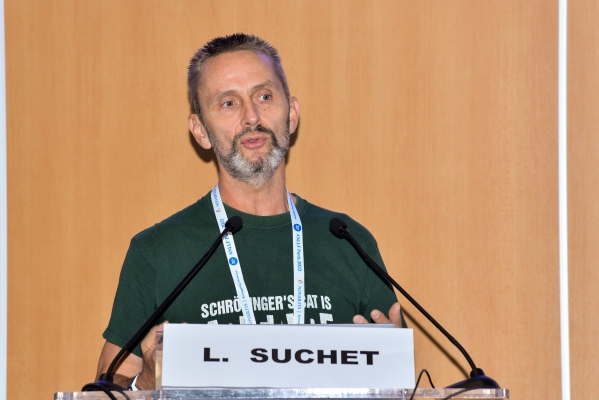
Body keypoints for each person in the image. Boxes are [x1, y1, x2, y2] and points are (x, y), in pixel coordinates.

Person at [95, 33, 405, 390]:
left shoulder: (348, 241)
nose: (251, 116)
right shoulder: (158, 251)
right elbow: (106, 388)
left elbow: (398, 383)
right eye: (228, 103)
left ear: (291, 114)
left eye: (264, 96)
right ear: (201, 131)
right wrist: (147, 381)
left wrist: (390, 374)